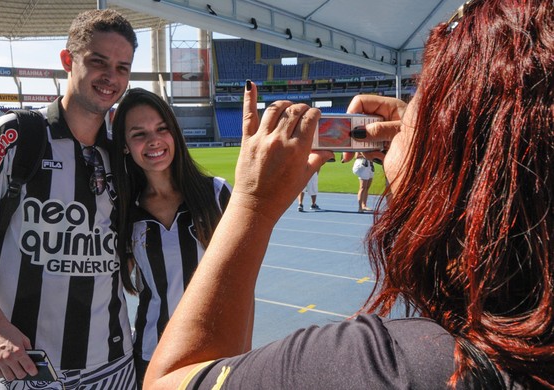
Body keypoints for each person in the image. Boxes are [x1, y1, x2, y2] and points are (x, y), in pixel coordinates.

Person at [144, 1, 553, 388]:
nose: (407, 115)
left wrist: (252, 204)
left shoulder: (382, 366)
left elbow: (169, 380)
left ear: (453, 148)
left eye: (422, 105)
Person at [0, 9, 139, 389]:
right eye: (98, 61)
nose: (111, 77)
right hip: (27, 368)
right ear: (67, 60)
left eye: (122, 67)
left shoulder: (123, 154)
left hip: (114, 366)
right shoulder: (16, 135)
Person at [110, 88, 233, 388]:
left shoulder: (216, 195)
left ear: (174, 133)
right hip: (153, 355)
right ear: (125, 146)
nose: (153, 140)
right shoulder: (124, 211)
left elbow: (241, 279)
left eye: (161, 129)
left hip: (215, 353)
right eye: (139, 134)